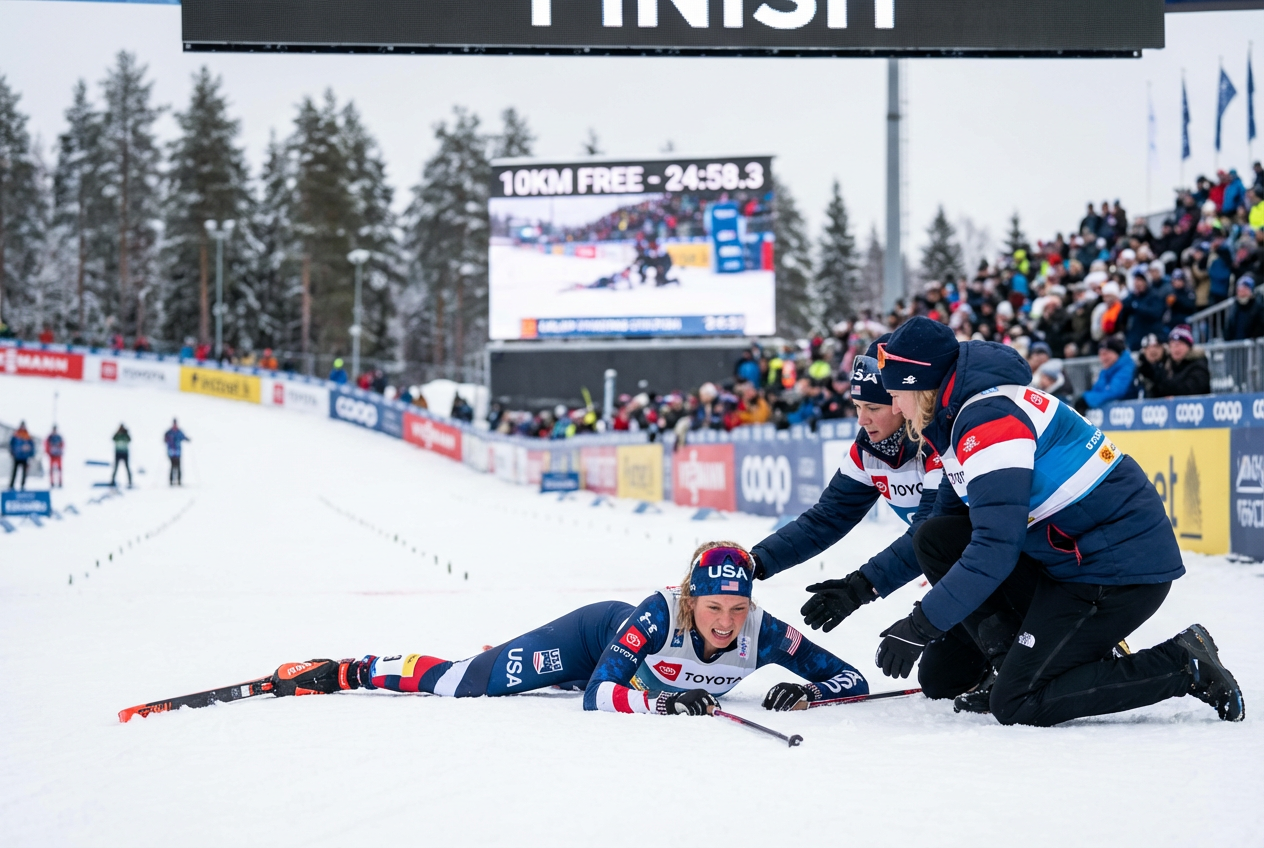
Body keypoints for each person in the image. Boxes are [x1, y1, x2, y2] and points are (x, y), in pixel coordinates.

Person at [871, 316, 1243, 726]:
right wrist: (863, 586)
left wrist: (920, 625)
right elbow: (948, 530)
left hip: (1118, 573)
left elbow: (994, 548)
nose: (894, 408)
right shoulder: (964, 414)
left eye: (895, 395)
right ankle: (1025, 660)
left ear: (919, 387)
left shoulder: (987, 422)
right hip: (1074, 560)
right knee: (936, 539)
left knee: (1016, 702)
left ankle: (1181, 663)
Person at [266, 542, 869, 716]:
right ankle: (349, 669)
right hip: (591, 643)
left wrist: (812, 691)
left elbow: (850, 676)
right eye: (713, 608)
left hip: (640, 675)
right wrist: (664, 705)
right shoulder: (658, 613)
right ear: (691, 600)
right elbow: (598, 694)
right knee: (464, 683)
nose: (726, 623)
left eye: (737, 610)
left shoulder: (762, 630)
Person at [748, 345, 985, 699]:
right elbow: (826, 518)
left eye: (872, 408)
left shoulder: (941, 441)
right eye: (857, 408)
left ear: (903, 402)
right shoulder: (869, 450)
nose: (862, 420)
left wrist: (860, 587)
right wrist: (755, 561)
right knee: (942, 681)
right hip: (959, 575)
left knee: (936, 536)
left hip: (998, 566)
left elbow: (926, 528)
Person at [1136, 325, 1210, 398]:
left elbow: (1191, 390)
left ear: (1189, 346)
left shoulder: (1198, 364)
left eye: (1179, 344)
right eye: (1172, 344)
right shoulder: (1167, 365)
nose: (1176, 348)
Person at [1075, 336, 1137, 412]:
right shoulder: (1106, 371)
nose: (1103, 358)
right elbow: (1097, 390)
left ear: (1116, 353)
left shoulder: (1127, 368)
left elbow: (1116, 393)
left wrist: (1087, 399)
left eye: (1106, 354)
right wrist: (1084, 398)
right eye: (1100, 354)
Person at [1223, 276, 1264, 341]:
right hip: (1236, 345)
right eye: (1239, 290)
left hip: (1252, 347)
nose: (1241, 293)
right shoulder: (1234, 307)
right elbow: (1229, 328)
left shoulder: (1258, 306)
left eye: (1244, 290)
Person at [164, 419, 191, 486]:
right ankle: (171, 481)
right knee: (172, 466)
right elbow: (165, 439)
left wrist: (187, 439)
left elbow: (183, 437)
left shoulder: (179, 432)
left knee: (178, 467)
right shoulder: (169, 432)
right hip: (171, 452)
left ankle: (179, 481)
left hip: (178, 452)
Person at [8, 422, 35, 490]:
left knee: (24, 472)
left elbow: (32, 446)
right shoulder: (15, 435)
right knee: (14, 472)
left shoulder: (28, 436)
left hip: (24, 457)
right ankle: (11, 485)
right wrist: (12, 452)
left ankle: (22, 485)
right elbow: (11, 445)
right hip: (16, 457)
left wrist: (30, 453)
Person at [110, 424, 132, 488]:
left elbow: (129, 440)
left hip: (125, 453)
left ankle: (130, 481)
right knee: (116, 468)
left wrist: (126, 433)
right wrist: (118, 432)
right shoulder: (117, 435)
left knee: (127, 468)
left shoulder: (126, 435)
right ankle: (112, 480)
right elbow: (113, 438)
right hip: (118, 452)